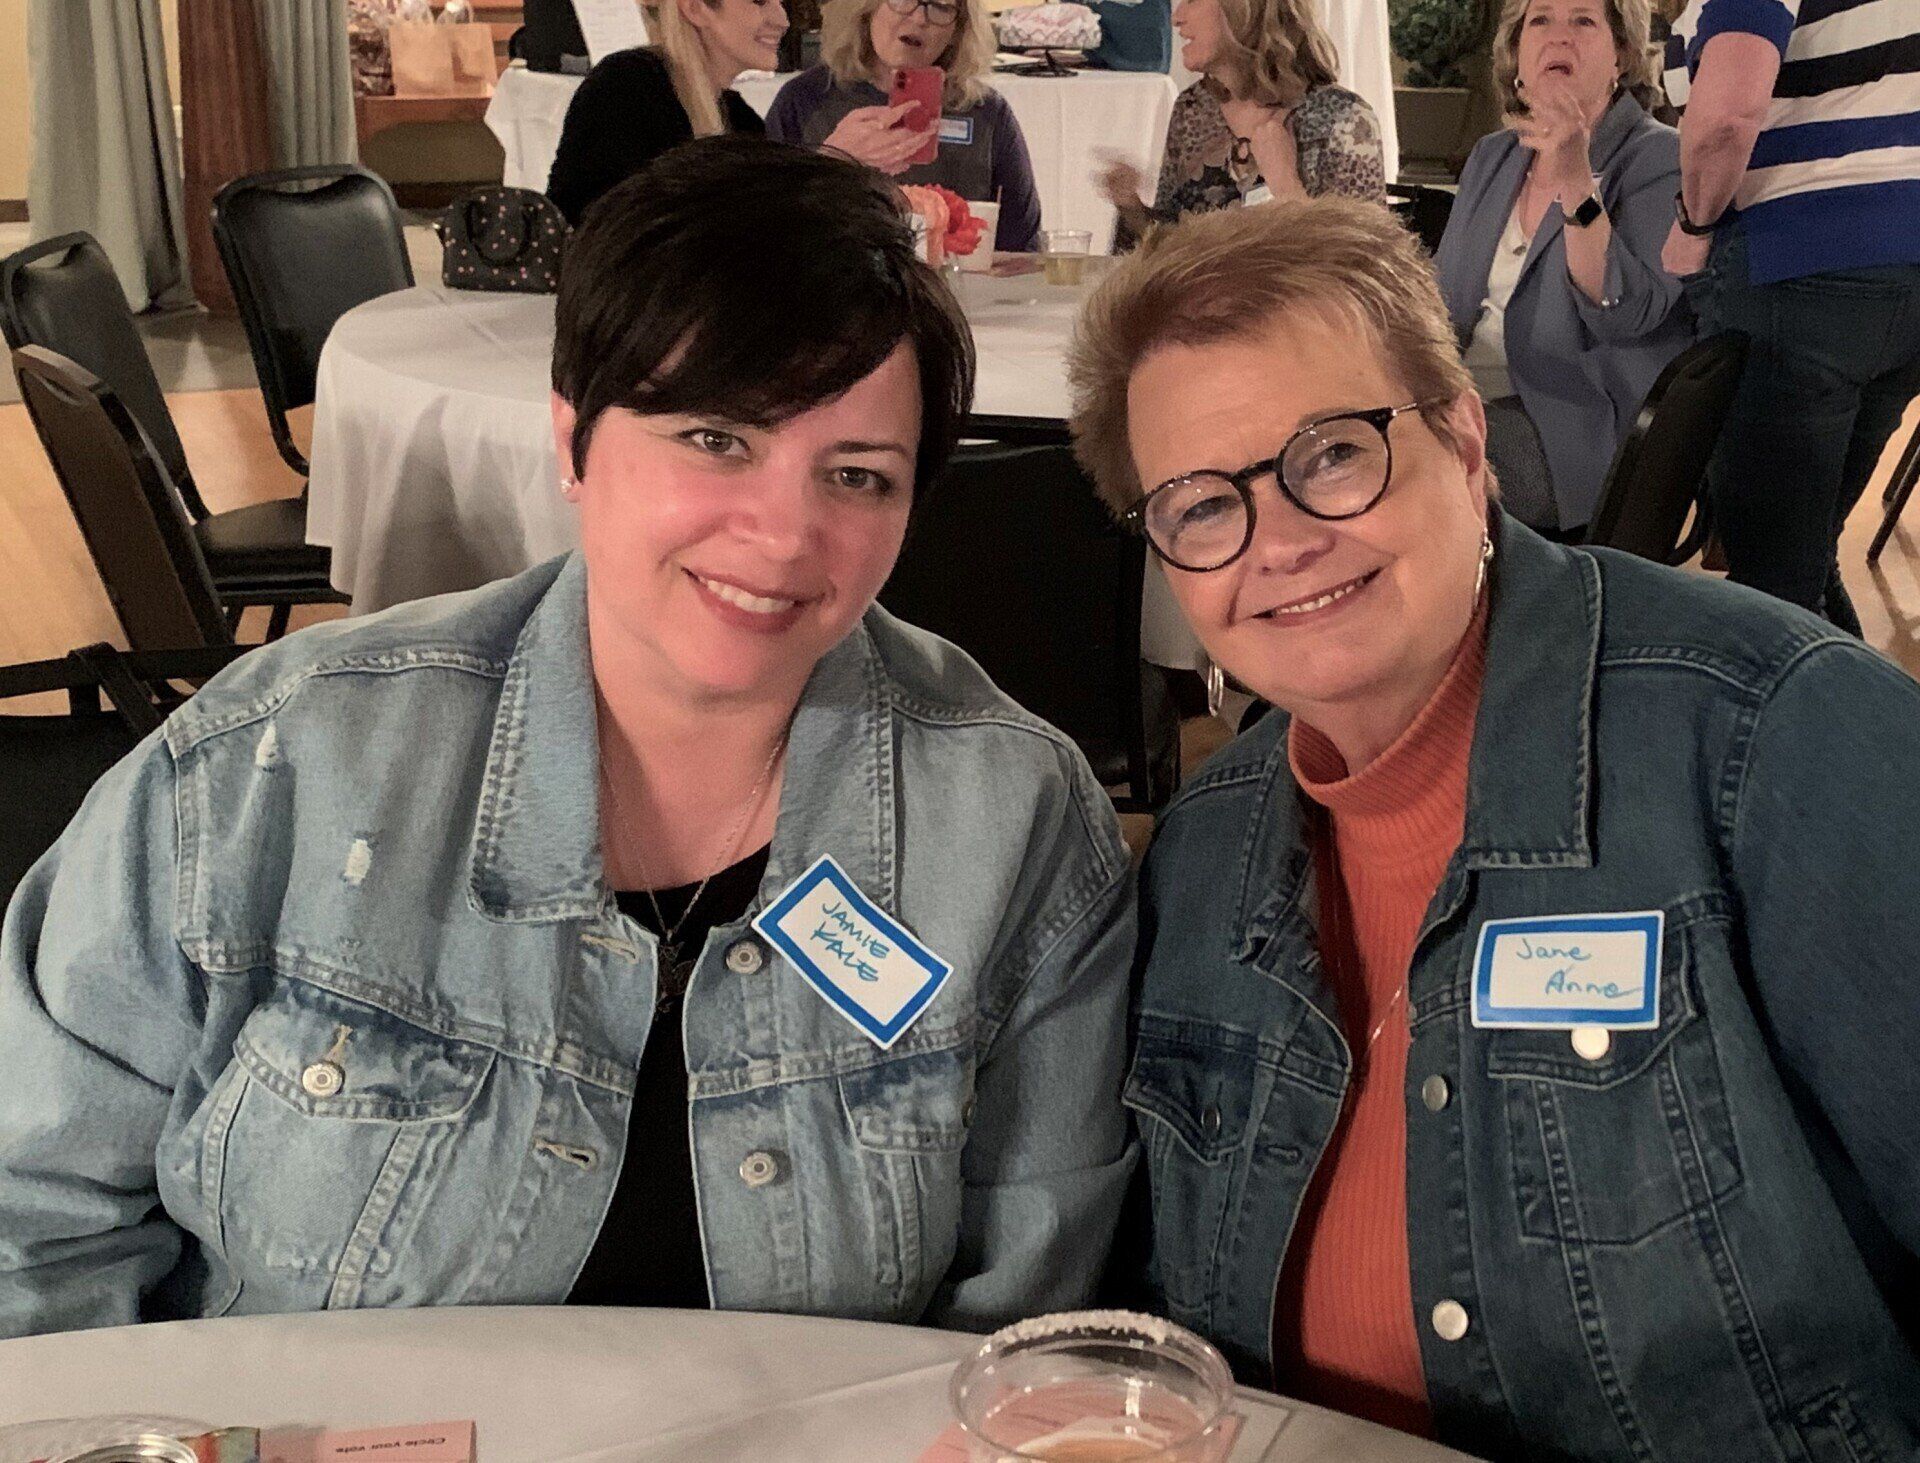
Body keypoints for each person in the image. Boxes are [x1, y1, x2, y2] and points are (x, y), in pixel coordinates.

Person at [0, 137, 1137, 1340]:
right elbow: (35, 1225)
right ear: (571, 438)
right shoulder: (271, 768)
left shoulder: (1011, 821)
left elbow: (1023, 1328)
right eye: (717, 439)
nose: (785, 532)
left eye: (857, 475)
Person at [1068, 199, 1920, 1458]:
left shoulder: (1770, 738)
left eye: (1332, 452)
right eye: (1201, 504)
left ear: (1466, 442)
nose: (1284, 541)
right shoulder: (1205, 853)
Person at [1661, 0, 1920, 633]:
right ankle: (1861, 711)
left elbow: (1726, 116)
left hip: (1802, 276)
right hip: (1907, 284)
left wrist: (1692, 224)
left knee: (1772, 588)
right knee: (1804, 555)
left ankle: (1814, 726)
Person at [1433, 0, 1691, 535]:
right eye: (1540, 20)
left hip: (1570, 430)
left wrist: (1575, 176)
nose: (1559, 37)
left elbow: (1624, 313)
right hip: (1458, 396)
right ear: (1517, 54)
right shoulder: (1492, 155)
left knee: (1406, 472)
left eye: (1583, 20)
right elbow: (1439, 299)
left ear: (1620, 55)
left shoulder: (1660, 158)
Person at [1098, 0, 1385, 249]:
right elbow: (1173, 248)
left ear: (1245, 9)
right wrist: (1131, 207)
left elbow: (1367, 269)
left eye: (1194, 1)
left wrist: (1286, 186)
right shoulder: (1195, 108)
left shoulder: (1344, 120)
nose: (1176, 18)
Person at [764, 0, 1043, 253]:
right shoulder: (805, 100)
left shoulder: (987, 112)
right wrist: (833, 158)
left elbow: (1022, 245)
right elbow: (766, 234)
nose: (920, 19)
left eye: (941, 6)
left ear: (958, 31)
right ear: (865, 8)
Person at [544, 0, 783, 225]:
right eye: (760, 1)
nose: (783, 21)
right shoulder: (626, 87)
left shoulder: (742, 121)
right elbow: (591, 229)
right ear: (695, 8)